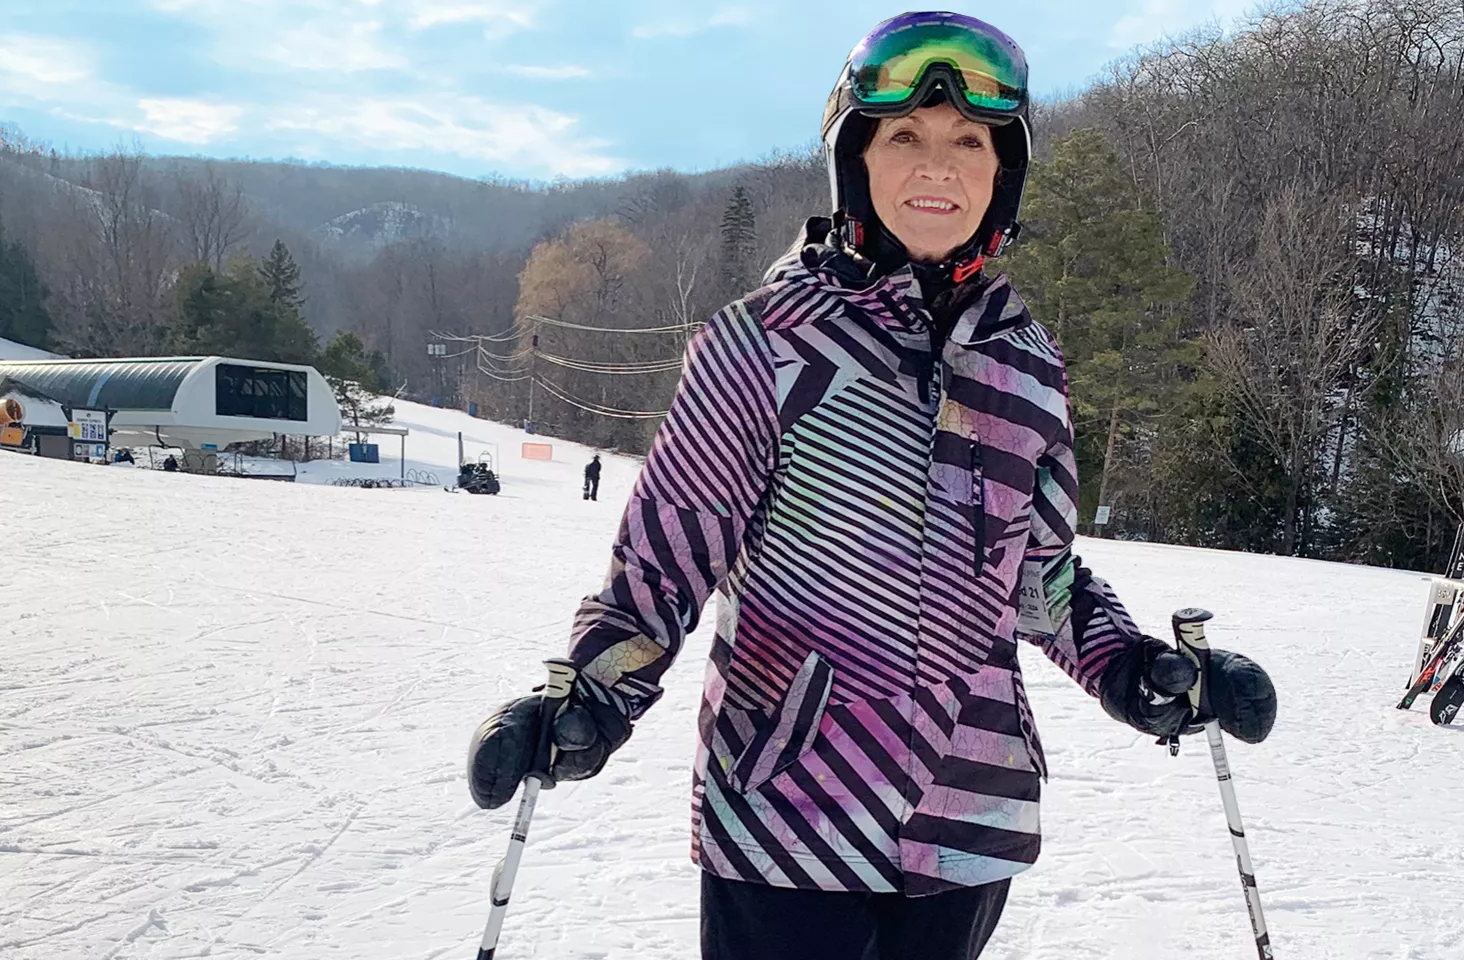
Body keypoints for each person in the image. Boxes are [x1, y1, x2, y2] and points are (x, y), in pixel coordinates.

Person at [466, 12, 1278, 960]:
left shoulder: (1027, 365)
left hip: (969, 815)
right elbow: (667, 561)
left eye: (969, 142)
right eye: (906, 137)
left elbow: (1042, 579)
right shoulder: (763, 344)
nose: (939, 166)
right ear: (857, 158)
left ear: (1000, 174)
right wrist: (593, 698)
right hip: (786, 814)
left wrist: (1136, 672)